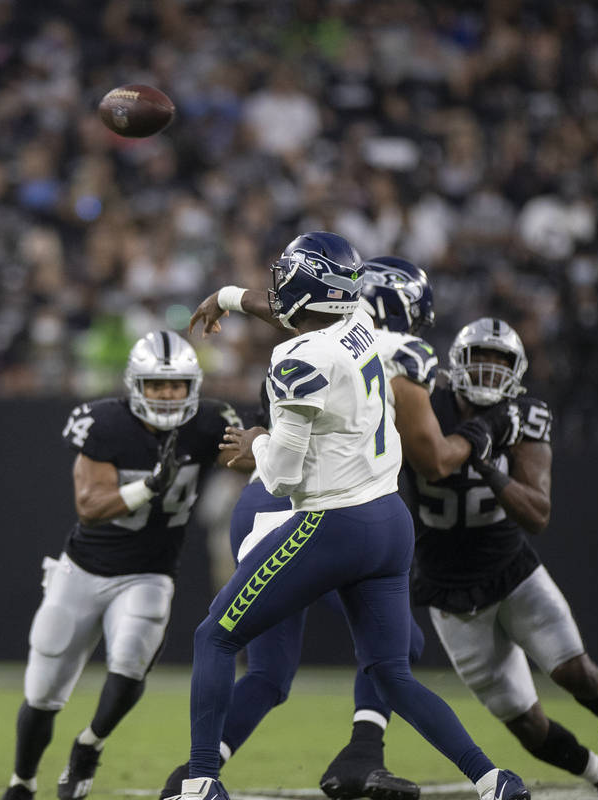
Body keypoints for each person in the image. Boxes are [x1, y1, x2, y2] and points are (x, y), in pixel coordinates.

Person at [171, 231, 529, 800]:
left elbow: (283, 475)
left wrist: (257, 442)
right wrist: (230, 296)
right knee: (393, 672)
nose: (279, 282)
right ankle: (493, 779)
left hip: (331, 523)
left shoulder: (297, 358)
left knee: (213, 636)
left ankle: (199, 782)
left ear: (308, 289)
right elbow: (295, 310)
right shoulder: (358, 318)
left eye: (289, 273)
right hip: (389, 520)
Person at [0, 331, 243, 800]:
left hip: (149, 572)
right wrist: (149, 487)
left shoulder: (212, 421)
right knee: (43, 690)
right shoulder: (104, 422)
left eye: (176, 386)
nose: (168, 395)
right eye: (157, 385)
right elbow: (89, 504)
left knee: (132, 662)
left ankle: (89, 745)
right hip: (84, 569)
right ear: (136, 385)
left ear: (192, 386)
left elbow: (253, 460)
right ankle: (22, 781)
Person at [409, 317, 598, 800]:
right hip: (448, 589)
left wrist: (487, 467)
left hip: (512, 569)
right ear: (457, 365)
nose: (491, 370)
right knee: (527, 724)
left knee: (578, 672)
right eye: (481, 359)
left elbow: (537, 513)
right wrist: (476, 439)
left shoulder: (526, 413)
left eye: (501, 361)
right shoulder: (425, 407)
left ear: (518, 369)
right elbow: (433, 461)